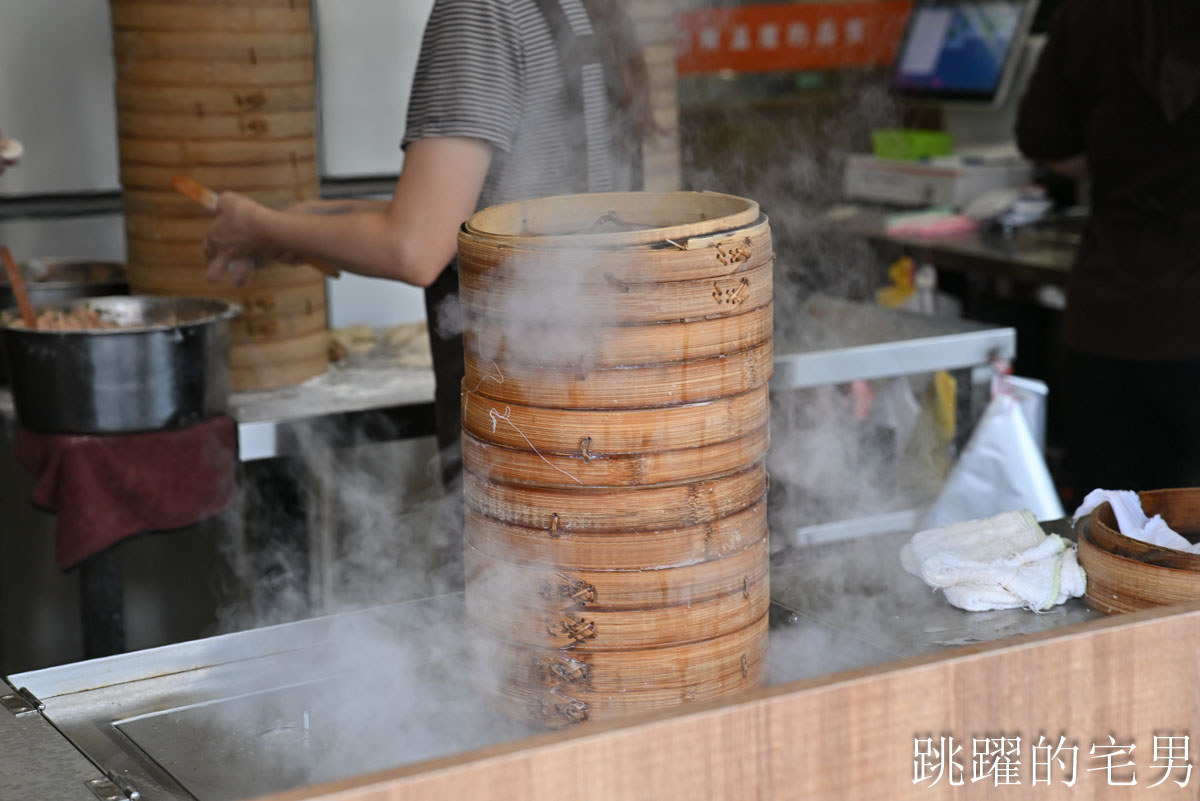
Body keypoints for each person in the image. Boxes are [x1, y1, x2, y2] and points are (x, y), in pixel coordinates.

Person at [202, 0, 653, 488]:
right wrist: (310, 222)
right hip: (608, 408)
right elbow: (488, 211)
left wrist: (261, 227)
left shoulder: (480, 9)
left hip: (520, 420)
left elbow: (416, 247)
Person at [1015, 0, 1200, 498]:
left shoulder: (1089, 11)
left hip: (1106, 318)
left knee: (1116, 535)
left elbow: (1044, 140)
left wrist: (1127, 166)